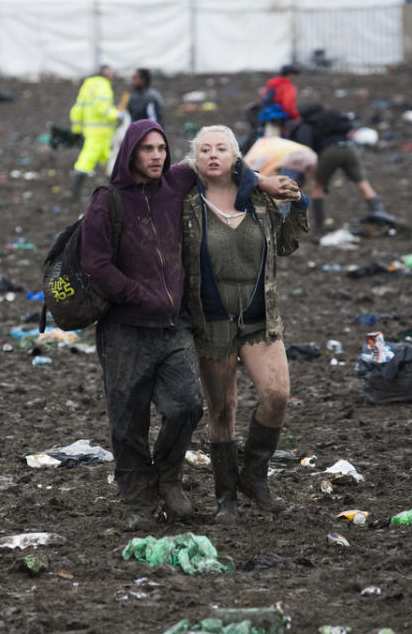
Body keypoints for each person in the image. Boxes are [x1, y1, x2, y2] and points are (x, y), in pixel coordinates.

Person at [79, 119, 299, 530]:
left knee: (186, 407)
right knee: (128, 422)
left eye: (161, 148)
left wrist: (264, 183)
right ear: (130, 153)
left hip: (173, 325)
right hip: (125, 328)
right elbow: (95, 263)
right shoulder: (108, 200)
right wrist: (137, 295)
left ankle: (168, 476)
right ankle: (140, 502)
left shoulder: (175, 183)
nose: (156, 156)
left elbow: (223, 163)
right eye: (146, 150)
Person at [181, 125, 309, 524]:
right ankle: (226, 498)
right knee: (222, 410)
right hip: (213, 321)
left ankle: (254, 478)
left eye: (222, 148)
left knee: (277, 395)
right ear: (195, 159)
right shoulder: (186, 203)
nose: (213, 155)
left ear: (237, 158)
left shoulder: (257, 197)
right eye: (205, 150)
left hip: (258, 317)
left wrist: (300, 204)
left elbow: (286, 244)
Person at [292, 104, 394, 233]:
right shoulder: (333, 116)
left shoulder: (310, 124)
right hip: (349, 148)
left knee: (318, 186)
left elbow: (309, 147)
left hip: (330, 152)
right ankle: (380, 217)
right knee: (363, 183)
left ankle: (319, 227)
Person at [69, 65, 121, 201]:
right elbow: (102, 108)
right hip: (100, 134)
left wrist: (77, 130)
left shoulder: (87, 86)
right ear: (106, 73)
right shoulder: (103, 86)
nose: (113, 75)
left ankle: (114, 193)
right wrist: (118, 115)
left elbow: (77, 110)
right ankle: (76, 196)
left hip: (92, 132)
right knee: (86, 162)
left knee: (110, 162)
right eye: (111, 72)